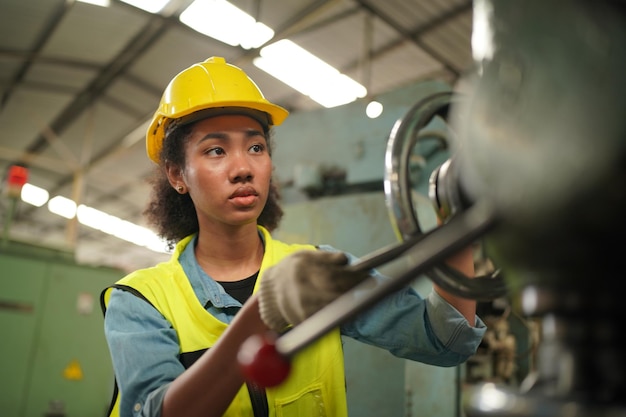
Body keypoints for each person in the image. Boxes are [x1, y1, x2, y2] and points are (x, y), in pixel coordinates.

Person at [100, 56, 486, 417]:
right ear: (177, 175)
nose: (243, 168)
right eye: (216, 150)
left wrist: (454, 215)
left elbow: (447, 340)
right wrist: (262, 313)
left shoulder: (319, 274)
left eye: (256, 147)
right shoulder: (140, 301)